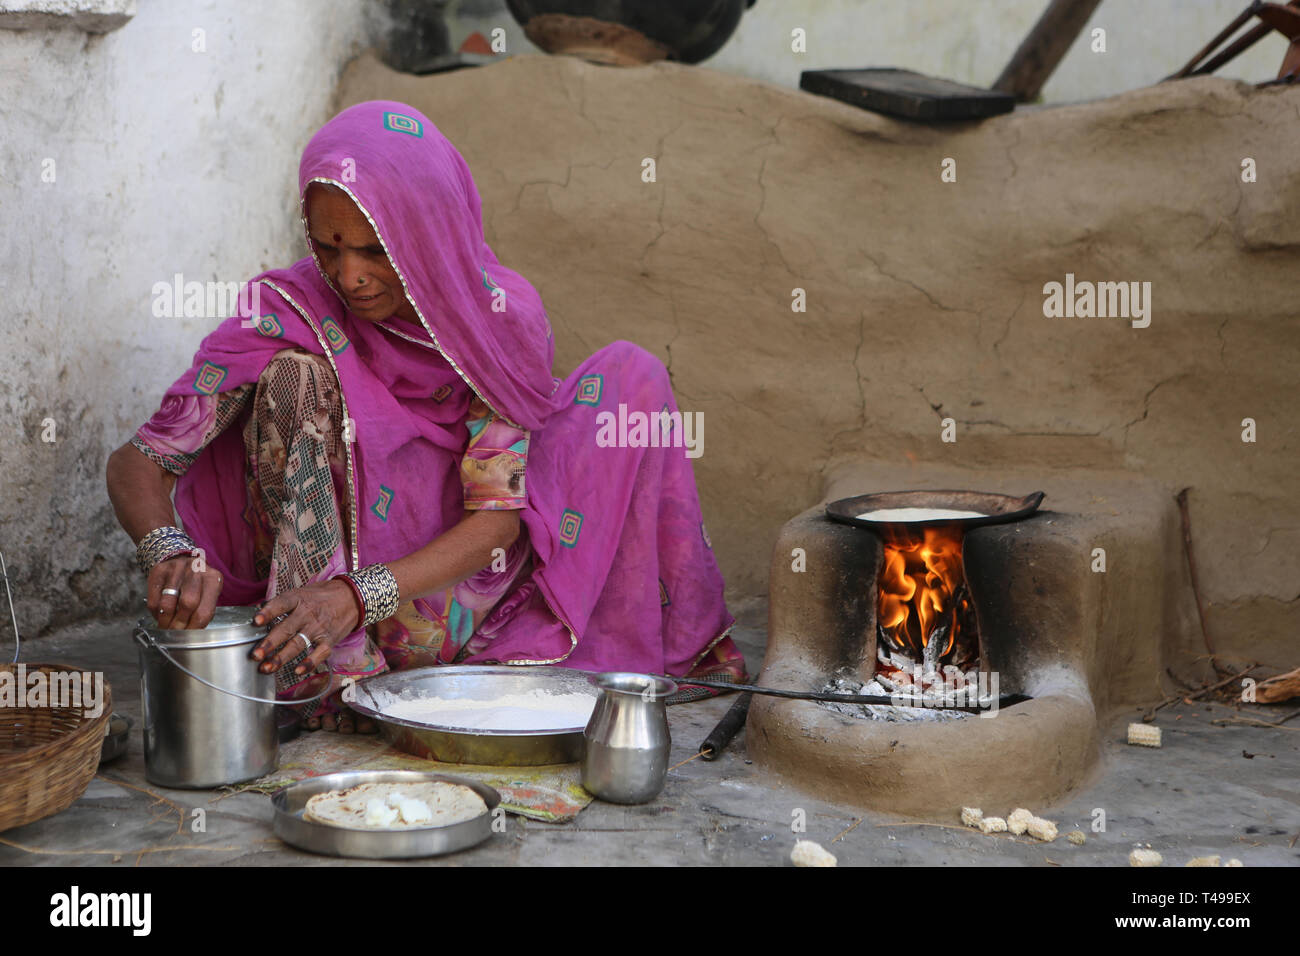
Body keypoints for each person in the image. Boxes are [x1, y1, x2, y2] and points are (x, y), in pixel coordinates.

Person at [105, 100, 746, 732]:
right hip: (316, 614)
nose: (349, 277)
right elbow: (141, 460)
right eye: (329, 248)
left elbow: (495, 521)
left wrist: (360, 595)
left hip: (452, 590)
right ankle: (323, 679)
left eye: (373, 250)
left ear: (426, 232)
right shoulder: (288, 309)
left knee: (629, 375)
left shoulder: (492, 317)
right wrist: (168, 548)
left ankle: (477, 648)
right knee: (294, 376)